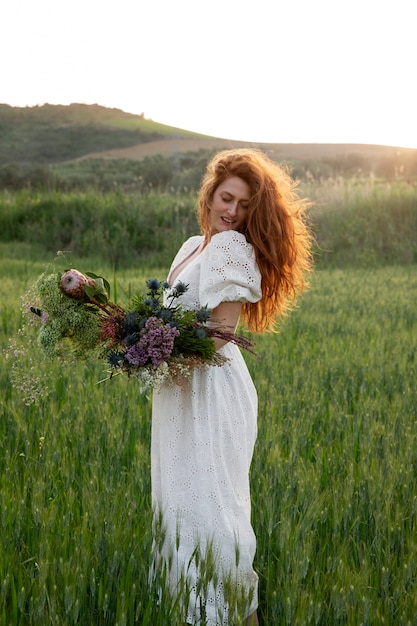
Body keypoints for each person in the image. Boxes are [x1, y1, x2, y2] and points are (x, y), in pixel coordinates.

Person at [151, 148, 313, 625]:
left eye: (245, 206)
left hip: (210, 390)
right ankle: (195, 614)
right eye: (227, 198)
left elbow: (219, 335)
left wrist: (155, 348)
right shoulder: (190, 247)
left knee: (214, 512)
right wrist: (136, 337)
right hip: (178, 390)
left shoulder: (229, 248)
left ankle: (237, 617)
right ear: (209, 194)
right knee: (181, 508)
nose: (233, 212)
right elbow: (172, 318)